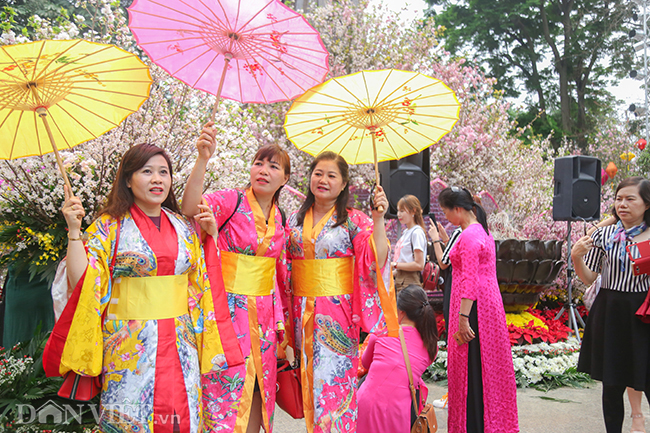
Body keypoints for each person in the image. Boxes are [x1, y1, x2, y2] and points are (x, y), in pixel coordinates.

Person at [44, 143, 231, 432]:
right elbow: (84, 281)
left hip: (181, 341)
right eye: (147, 171)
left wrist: (212, 236)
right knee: (130, 418)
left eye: (163, 172)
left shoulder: (183, 226)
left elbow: (201, 282)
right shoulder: (110, 226)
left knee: (184, 416)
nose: (157, 179)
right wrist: (74, 230)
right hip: (130, 345)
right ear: (128, 180)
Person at [181, 122, 291, 433]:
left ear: (285, 178)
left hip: (264, 317)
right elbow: (190, 207)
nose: (263, 170)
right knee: (225, 384)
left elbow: (275, 274)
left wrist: (281, 322)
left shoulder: (280, 218)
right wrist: (203, 158)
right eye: (259, 163)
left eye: (273, 166)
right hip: (226, 310)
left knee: (259, 387)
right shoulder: (231, 201)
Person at [286, 151, 399, 433]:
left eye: (331, 175)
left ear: (344, 182)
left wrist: (379, 219)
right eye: (318, 173)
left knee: (333, 387)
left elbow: (377, 260)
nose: (323, 180)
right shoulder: (294, 222)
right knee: (310, 387)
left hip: (336, 316)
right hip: (301, 315)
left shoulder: (354, 221)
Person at [429, 186, 519, 433]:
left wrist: (463, 318)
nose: (445, 217)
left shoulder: (468, 236)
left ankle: (474, 425)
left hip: (474, 307)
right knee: (486, 367)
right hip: (487, 305)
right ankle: (490, 423)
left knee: (472, 370)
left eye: (446, 212)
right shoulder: (480, 229)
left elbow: (469, 280)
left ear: (457, 209)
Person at [572, 176, 650, 433]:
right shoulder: (604, 235)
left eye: (630, 199)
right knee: (612, 383)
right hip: (610, 311)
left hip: (643, 313)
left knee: (646, 377)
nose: (622, 204)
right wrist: (576, 258)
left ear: (646, 204)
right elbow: (589, 277)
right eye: (618, 199)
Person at [357, 284, 438, 433]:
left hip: (368, 404)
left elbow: (365, 363)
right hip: (399, 410)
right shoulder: (431, 345)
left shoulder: (382, 331)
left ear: (400, 312)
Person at [428, 221, 462, 410]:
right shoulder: (479, 230)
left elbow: (444, 262)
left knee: (455, 342)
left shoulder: (462, 230)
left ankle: (454, 394)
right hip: (465, 291)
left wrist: (435, 240)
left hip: (455, 289)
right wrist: (446, 239)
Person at [392, 195, 427, 293]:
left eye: (402, 211)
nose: (399, 214)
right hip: (400, 280)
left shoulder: (417, 232)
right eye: (398, 211)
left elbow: (419, 264)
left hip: (410, 282)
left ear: (413, 211)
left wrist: (395, 265)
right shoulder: (406, 232)